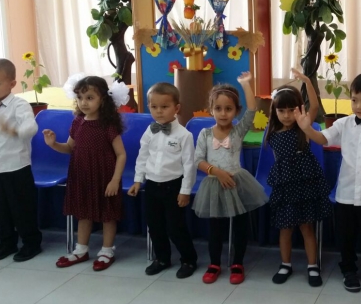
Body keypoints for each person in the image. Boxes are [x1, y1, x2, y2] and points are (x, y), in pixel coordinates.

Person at [295, 72, 361, 292]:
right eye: (354, 100)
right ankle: (348, 270)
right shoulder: (343, 123)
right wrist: (307, 128)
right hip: (345, 193)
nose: (359, 106)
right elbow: (323, 139)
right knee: (345, 236)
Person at [45, 75, 128, 271]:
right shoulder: (78, 122)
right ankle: (81, 250)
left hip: (104, 176)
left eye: (90, 98)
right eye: (80, 98)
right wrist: (53, 144)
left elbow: (121, 154)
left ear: (103, 99)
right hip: (82, 175)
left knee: (107, 214)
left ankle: (107, 251)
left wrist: (115, 180)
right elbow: (69, 148)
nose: (84, 102)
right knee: (83, 213)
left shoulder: (108, 125)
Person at [193, 73, 268, 285]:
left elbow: (252, 109)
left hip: (236, 183)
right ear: (211, 109)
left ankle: (237, 263)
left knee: (240, 226)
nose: (223, 113)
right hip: (214, 184)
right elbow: (198, 160)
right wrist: (216, 172)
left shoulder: (238, 131)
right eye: (218, 108)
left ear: (236, 111)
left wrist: (245, 84)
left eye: (228, 109)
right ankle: (214, 263)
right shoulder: (205, 134)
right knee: (215, 228)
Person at [266, 69, 332, 287]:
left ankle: (313, 266)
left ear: (299, 109)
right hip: (285, 185)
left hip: (305, 183)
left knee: (306, 227)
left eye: (291, 110)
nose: (286, 115)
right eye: (281, 111)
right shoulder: (272, 132)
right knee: (285, 228)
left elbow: (315, 107)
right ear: (274, 111)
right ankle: (285, 264)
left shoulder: (304, 126)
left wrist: (306, 81)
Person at [128, 82, 198, 279]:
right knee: (154, 225)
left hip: (173, 186)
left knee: (175, 227)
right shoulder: (149, 131)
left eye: (164, 106)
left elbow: (189, 165)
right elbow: (142, 157)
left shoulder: (184, 135)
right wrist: (137, 180)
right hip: (152, 185)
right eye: (154, 106)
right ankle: (162, 258)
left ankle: (188, 259)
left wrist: (185, 190)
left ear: (177, 108)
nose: (159, 111)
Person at [0, 58, 42, 262]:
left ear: (12, 83)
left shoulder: (19, 105)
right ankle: (7, 242)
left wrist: (15, 131)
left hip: (16, 167)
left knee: (21, 208)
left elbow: (31, 127)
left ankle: (31, 243)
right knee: (2, 210)